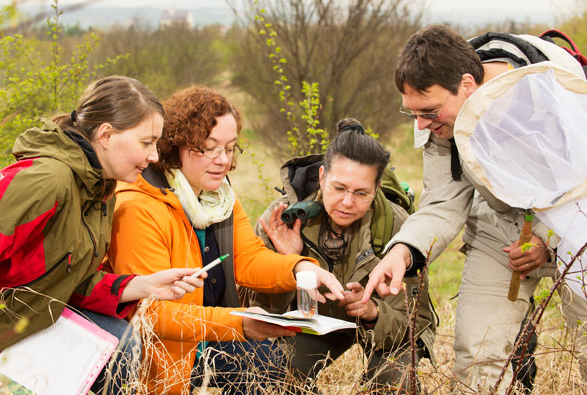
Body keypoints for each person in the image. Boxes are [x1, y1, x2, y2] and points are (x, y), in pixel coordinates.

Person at [361, 25, 587, 393]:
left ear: (468, 84)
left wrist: (546, 240)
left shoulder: (553, 89)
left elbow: (579, 187)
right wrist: (402, 253)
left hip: (575, 221)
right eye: (413, 113)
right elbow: (443, 200)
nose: (421, 124)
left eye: (429, 112)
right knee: (477, 356)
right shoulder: (438, 112)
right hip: (498, 224)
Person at [107, 85, 345, 395]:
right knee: (262, 363)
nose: (223, 160)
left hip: (208, 337)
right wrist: (240, 323)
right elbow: (151, 314)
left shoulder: (218, 197)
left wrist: (299, 268)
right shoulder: (139, 207)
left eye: (230, 148)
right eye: (208, 148)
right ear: (176, 144)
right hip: (163, 355)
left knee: (273, 365)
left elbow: (246, 259)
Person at [0, 76, 207, 393]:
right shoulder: (43, 181)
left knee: (122, 345)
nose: (154, 157)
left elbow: (67, 278)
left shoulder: (100, 190)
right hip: (6, 333)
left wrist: (142, 285)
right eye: (146, 143)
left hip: (36, 322)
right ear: (106, 134)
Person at [252, 118, 436, 392]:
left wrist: (373, 313)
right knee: (270, 373)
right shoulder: (283, 219)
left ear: (375, 190)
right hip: (311, 326)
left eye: (361, 193)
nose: (348, 203)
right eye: (339, 188)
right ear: (323, 176)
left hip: (378, 327)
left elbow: (415, 324)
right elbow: (261, 316)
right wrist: (289, 265)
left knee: (395, 380)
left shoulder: (398, 228)